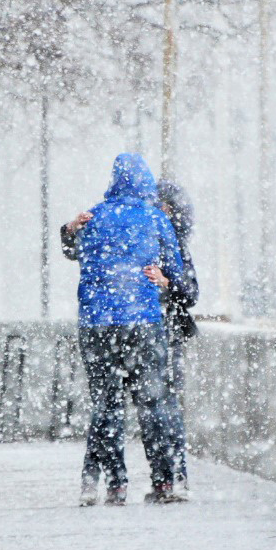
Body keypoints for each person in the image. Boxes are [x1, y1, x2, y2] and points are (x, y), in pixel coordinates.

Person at [60, 153, 184, 506]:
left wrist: (69, 230)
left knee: (106, 404)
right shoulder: (156, 218)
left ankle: (115, 484)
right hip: (143, 322)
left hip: (97, 323)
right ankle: (164, 481)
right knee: (152, 403)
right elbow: (176, 270)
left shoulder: (92, 216)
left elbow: (71, 251)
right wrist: (161, 278)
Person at [153, 179, 199, 492]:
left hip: (165, 334)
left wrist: (167, 284)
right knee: (163, 406)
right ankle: (171, 477)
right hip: (156, 334)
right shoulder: (160, 243)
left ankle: (173, 476)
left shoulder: (176, 247)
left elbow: (191, 293)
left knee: (165, 405)